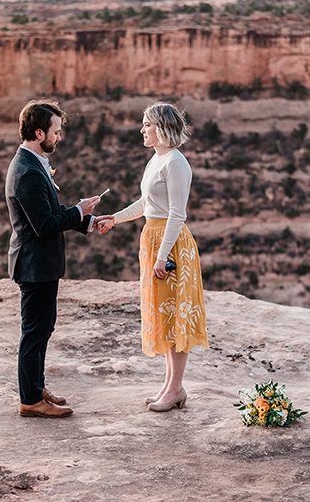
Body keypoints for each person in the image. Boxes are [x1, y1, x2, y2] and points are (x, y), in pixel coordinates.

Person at [95, 102, 208, 412]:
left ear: (162, 127)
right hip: (154, 239)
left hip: (170, 246)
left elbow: (177, 214)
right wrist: (114, 219)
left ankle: (175, 388)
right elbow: (146, 204)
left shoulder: (176, 163)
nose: (142, 130)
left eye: (147, 125)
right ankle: (171, 385)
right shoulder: (157, 160)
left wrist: (162, 256)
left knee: (176, 317)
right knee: (164, 315)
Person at [5, 99, 102, 418]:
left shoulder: (32, 163)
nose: (59, 137)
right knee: (34, 332)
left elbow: (49, 213)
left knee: (43, 328)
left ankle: (36, 386)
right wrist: (78, 211)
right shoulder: (27, 172)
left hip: (40, 265)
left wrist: (85, 219)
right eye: (56, 131)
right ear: (38, 132)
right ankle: (30, 400)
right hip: (34, 266)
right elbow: (44, 224)